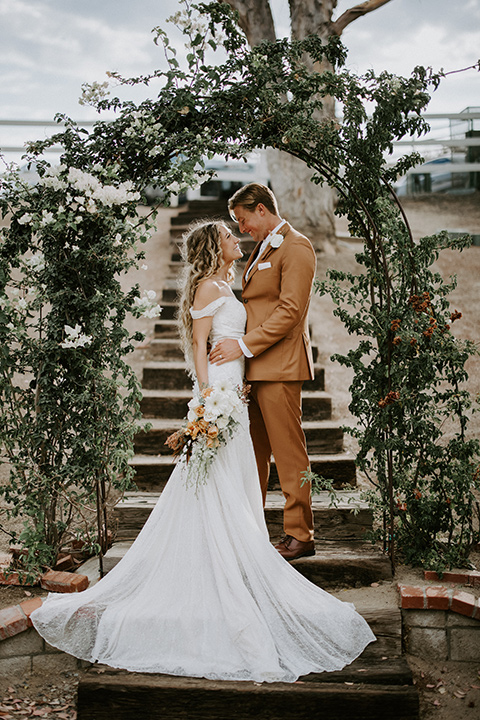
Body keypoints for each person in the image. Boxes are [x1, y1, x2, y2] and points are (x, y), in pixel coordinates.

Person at [31, 220, 375, 683]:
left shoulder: (228, 281)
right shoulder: (208, 288)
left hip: (236, 391)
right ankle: (226, 559)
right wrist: (207, 398)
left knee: (234, 476)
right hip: (220, 396)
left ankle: (239, 550)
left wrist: (233, 388)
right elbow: (198, 345)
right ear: (216, 247)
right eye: (231, 236)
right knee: (217, 479)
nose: (239, 238)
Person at [209, 183, 316, 561]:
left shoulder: (297, 246)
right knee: (252, 453)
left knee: (288, 452)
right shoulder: (263, 248)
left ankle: (299, 534)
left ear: (260, 209)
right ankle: (248, 527)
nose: (242, 229)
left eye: (243, 220)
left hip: (281, 365)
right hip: (254, 367)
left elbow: (290, 312)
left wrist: (242, 345)